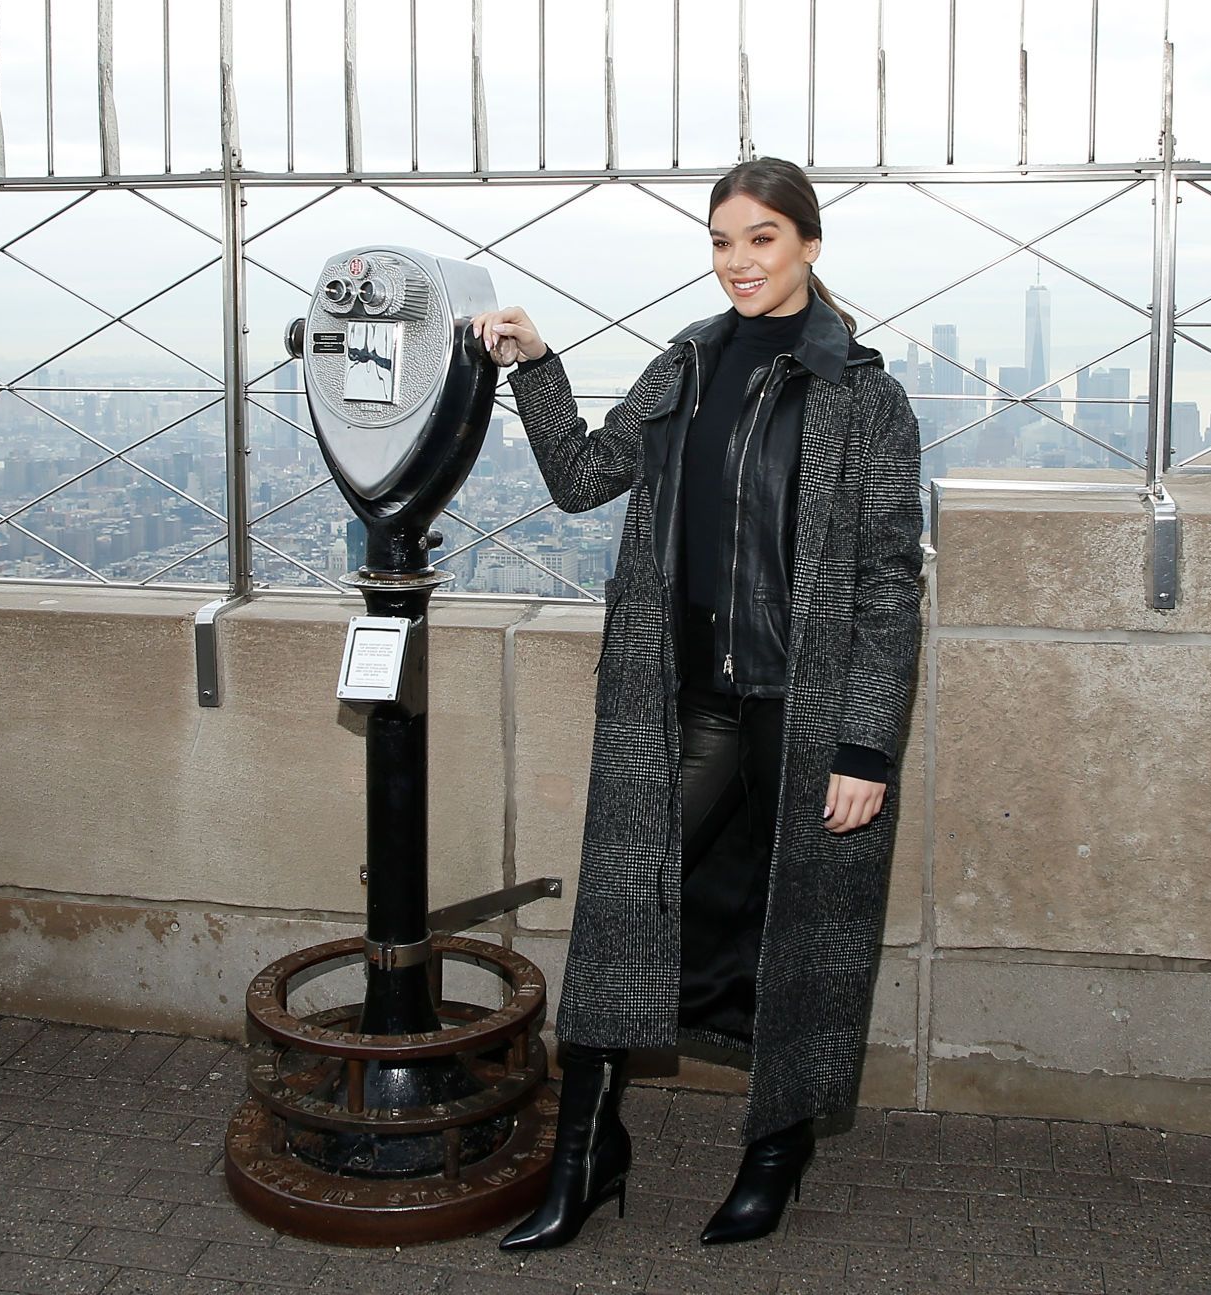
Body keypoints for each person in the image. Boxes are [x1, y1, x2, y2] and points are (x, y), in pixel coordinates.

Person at [470, 157, 923, 1249]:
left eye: (761, 238)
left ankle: (777, 1149)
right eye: (720, 240)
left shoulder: (864, 396)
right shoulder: (683, 366)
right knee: (624, 910)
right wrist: (537, 366)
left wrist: (865, 744)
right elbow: (583, 475)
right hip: (692, 704)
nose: (737, 262)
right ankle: (583, 1150)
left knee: (799, 932)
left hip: (811, 711)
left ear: (808, 244)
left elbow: (888, 579)